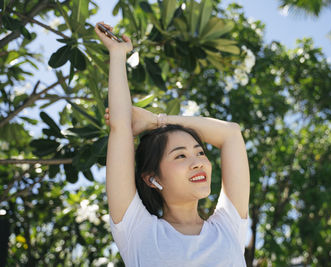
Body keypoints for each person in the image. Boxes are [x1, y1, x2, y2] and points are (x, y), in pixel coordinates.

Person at [95, 22, 250, 267]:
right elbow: (121, 126)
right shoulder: (138, 232)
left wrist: (157, 121)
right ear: (152, 178)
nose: (198, 162)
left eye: (199, 152)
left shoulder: (228, 228)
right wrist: (117, 54)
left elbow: (230, 133)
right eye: (180, 156)